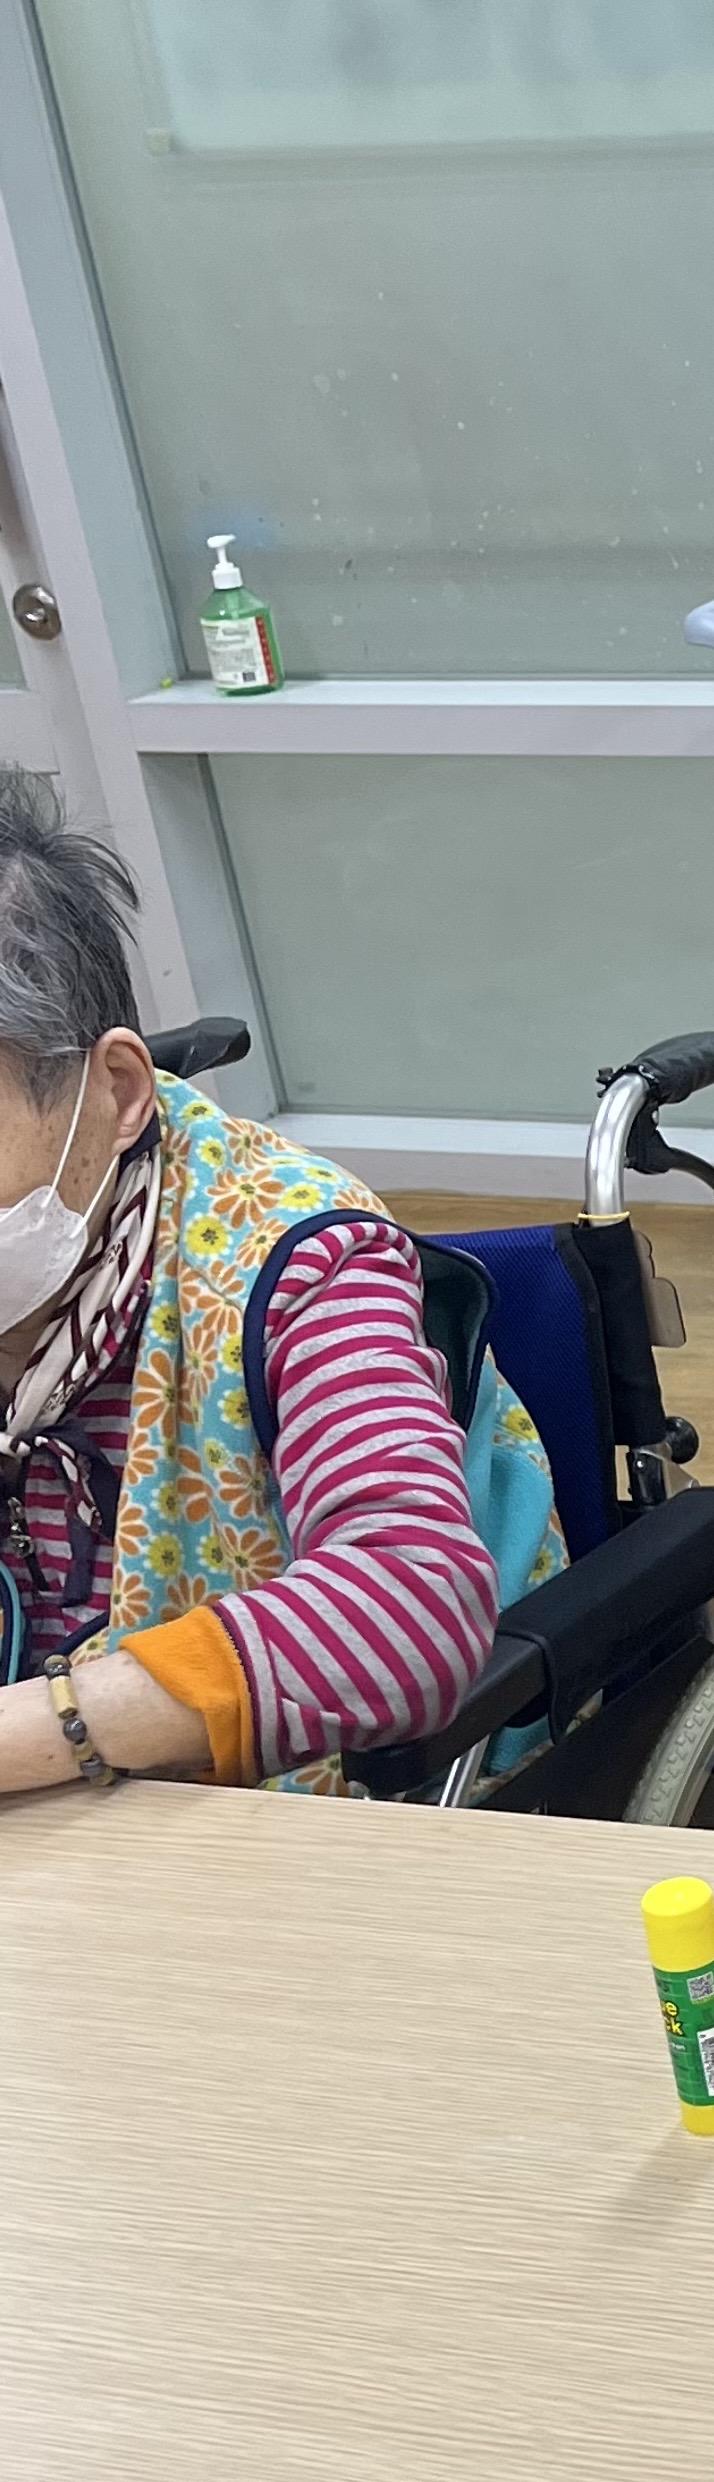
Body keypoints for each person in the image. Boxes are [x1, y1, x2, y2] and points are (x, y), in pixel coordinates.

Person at [0, 769, 548, 1796]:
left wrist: (47, 1728)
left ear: (116, 1091)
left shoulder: (295, 1261)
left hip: (310, 1809)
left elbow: (408, 1603)